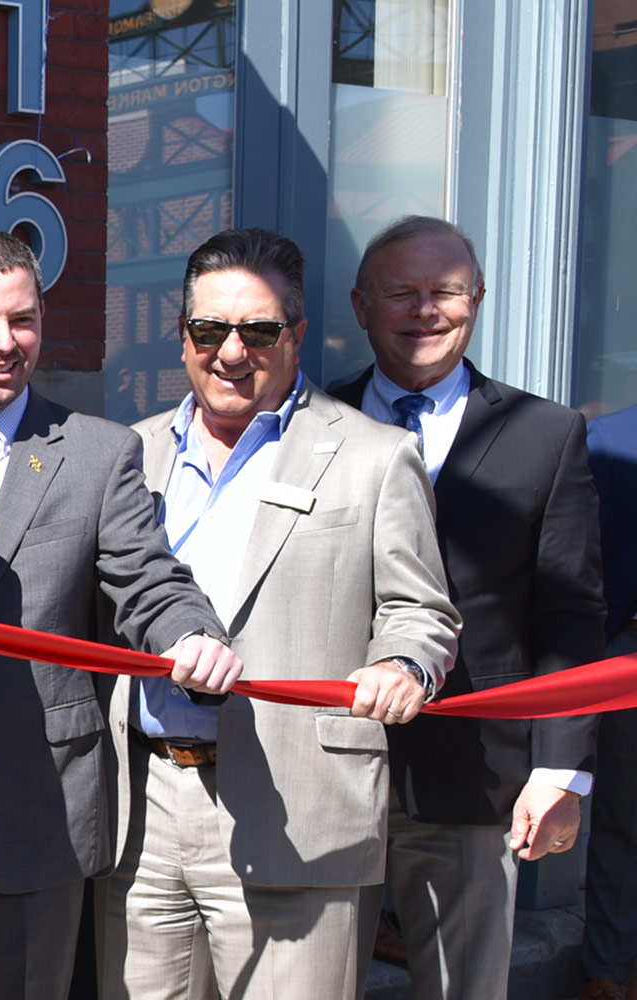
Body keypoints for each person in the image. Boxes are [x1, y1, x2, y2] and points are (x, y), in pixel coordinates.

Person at [0, 231, 238, 1000]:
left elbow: (149, 579)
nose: (6, 343)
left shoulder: (98, 453)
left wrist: (192, 634)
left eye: (24, 320)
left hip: (35, 805)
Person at [103, 227, 460, 1000]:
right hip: (146, 809)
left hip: (299, 807)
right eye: (209, 329)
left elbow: (421, 611)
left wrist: (404, 665)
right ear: (182, 335)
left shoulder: (373, 455)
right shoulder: (129, 454)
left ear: (295, 335)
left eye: (257, 331)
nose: (231, 352)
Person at [322, 215, 605, 1000]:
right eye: (401, 293)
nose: (425, 311)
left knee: (464, 987)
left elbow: (571, 614)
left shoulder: (545, 435)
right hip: (326, 757)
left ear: (476, 298)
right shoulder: (310, 425)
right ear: (361, 304)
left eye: (444, 291)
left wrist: (561, 772)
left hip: (475, 773)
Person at [582, 402, 637, 1000]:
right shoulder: (613, 437)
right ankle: (610, 974)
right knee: (625, 820)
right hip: (629, 654)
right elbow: (584, 554)